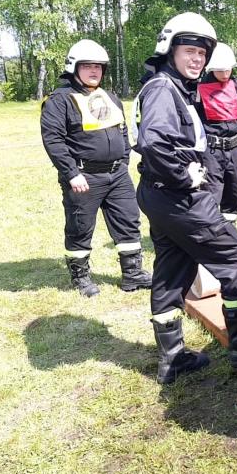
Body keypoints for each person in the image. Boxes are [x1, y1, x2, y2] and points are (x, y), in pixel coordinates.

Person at [133, 12, 237, 385]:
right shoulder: (163, 89)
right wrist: (185, 174)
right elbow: (156, 140)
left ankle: (172, 357)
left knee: (173, 270)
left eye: (202, 54)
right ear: (169, 50)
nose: (197, 60)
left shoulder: (171, 87)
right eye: (190, 51)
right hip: (179, 196)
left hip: (159, 196)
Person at [40, 39, 151, 298]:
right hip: (83, 176)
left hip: (117, 174)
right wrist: (71, 173)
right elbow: (53, 140)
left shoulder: (109, 96)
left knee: (128, 221)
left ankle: (132, 274)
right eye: (88, 66)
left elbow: (122, 130)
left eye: (99, 67)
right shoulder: (60, 100)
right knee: (80, 226)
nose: (94, 71)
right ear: (74, 68)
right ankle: (80, 277)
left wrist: (123, 161)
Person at [195, 42, 237, 222]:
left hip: (234, 149)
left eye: (228, 70)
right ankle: (209, 228)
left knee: (234, 191)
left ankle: (230, 225)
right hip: (211, 150)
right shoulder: (198, 89)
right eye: (220, 70)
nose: (225, 74)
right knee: (211, 191)